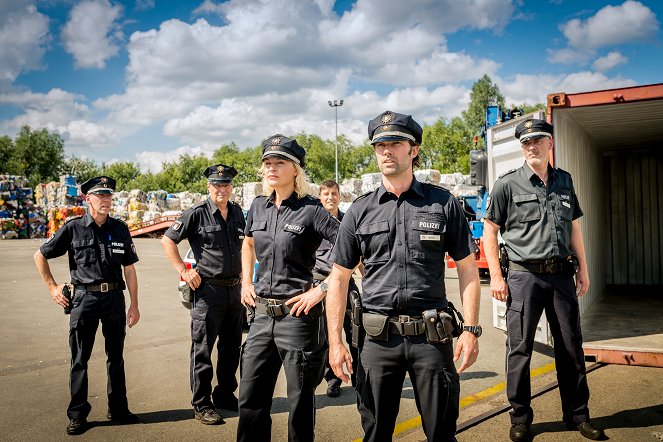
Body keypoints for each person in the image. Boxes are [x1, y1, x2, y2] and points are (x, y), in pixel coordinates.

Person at [326, 111, 481, 442]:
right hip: (377, 340)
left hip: (432, 339)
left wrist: (470, 330)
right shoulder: (359, 211)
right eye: (380, 145)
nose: (386, 151)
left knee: (441, 432)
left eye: (395, 143)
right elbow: (338, 279)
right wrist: (335, 342)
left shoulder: (443, 204)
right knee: (376, 432)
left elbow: (468, 268)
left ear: (414, 150)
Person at [483, 118, 605, 442]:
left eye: (538, 141)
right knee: (519, 350)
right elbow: (490, 232)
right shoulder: (506, 185)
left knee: (571, 348)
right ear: (521, 148)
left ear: (550, 144)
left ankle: (578, 416)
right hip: (524, 278)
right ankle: (520, 419)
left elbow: (574, 229)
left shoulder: (564, 181)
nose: (532, 147)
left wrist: (585, 269)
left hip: (562, 276)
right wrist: (496, 276)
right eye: (526, 143)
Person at [237, 134, 340, 442]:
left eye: (279, 163)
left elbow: (349, 248)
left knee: (299, 401)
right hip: (261, 316)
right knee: (250, 397)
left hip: (297, 316)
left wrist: (321, 288)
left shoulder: (311, 209)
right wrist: (246, 281)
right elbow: (249, 242)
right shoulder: (258, 206)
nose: (271, 168)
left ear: (295, 169)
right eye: (267, 163)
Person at [34, 176, 140, 435]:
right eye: (100, 195)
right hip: (84, 300)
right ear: (87, 198)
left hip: (114, 298)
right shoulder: (73, 228)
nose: (105, 200)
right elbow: (40, 254)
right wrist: (53, 287)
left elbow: (129, 269)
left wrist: (134, 304)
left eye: (108, 196)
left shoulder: (120, 228)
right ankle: (78, 414)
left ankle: (118, 409)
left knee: (116, 356)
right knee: (80, 358)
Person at [161, 164, 246, 425]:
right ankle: (201, 403)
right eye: (217, 185)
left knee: (232, 348)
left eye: (226, 185)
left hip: (235, 290)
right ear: (209, 187)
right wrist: (184, 271)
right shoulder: (196, 214)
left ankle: (224, 394)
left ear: (231, 188)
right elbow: (167, 240)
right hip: (208, 291)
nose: (222, 189)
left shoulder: (237, 212)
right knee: (203, 349)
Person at [314, 180, 361, 396]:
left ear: (339, 196)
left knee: (355, 331)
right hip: (321, 284)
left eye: (334, 193)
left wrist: (367, 276)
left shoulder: (348, 221)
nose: (330, 197)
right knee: (326, 334)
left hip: (346, 282)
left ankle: (360, 377)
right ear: (320, 197)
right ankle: (332, 379)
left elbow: (358, 253)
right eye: (326, 193)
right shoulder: (313, 221)